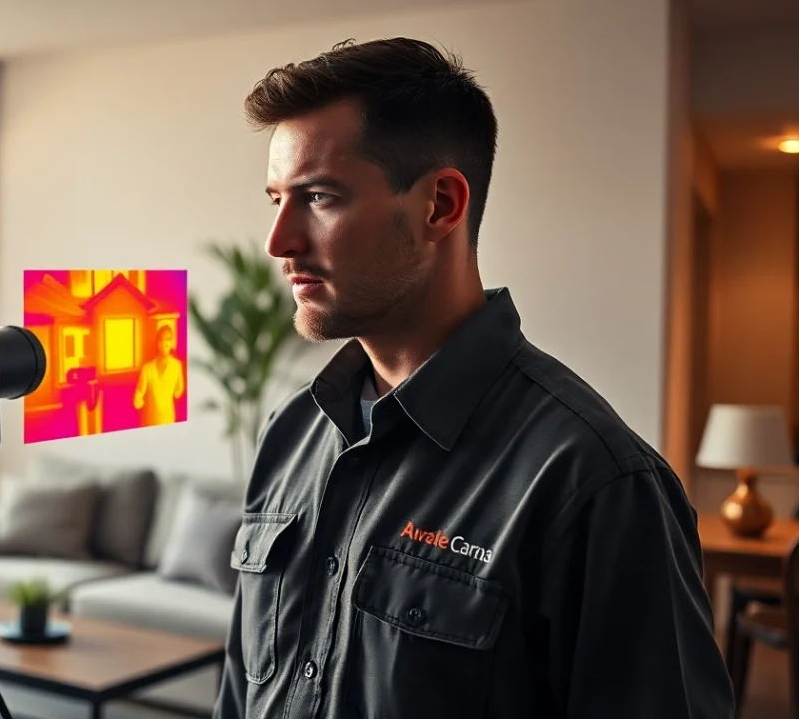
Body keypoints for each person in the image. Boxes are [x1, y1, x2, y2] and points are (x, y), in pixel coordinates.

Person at [213, 37, 735, 719]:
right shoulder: (293, 433)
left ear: (439, 206)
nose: (278, 242)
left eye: (318, 197)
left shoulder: (595, 483)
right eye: (277, 198)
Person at [133, 324, 185, 426]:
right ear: (157, 343)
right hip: (150, 422)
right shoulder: (147, 369)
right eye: (162, 339)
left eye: (168, 339)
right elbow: (137, 400)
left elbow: (178, 392)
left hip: (169, 420)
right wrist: (139, 398)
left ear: (172, 342)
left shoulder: (177, 366)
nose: (166, 343)